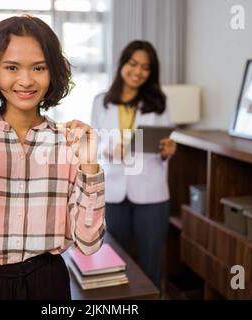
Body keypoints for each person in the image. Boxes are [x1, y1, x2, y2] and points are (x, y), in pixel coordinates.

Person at [0, 16, 105, 300]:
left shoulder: (69, 142)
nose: (25, 80)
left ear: (53, 73)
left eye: (39, 68)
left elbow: (88, 245)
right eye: (11, 67)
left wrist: (90, 166)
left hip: (47, 284)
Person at [90, 40, 176, 291]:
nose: (138, 72)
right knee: (113, 263)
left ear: (152, 72)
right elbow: (92, 143)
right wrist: (107, 148)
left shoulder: (159, 102)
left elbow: (163, 142)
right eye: (133, 64)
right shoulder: (101, 101)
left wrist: (167, 150)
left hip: (151, 193)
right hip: (113, 191)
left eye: (145, 68)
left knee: (151, 264)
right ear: (122, 64)